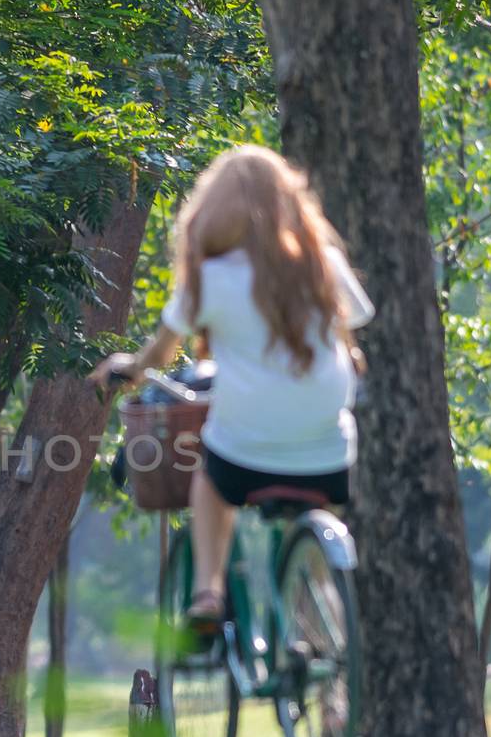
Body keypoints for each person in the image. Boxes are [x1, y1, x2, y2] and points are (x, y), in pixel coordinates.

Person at [89, 146, 373, 622]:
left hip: (245, 452)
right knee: (321, 482)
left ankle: (207, 593)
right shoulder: (320, 261)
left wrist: (130, 366)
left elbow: (158, 355)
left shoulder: (209, 278)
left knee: (211, 482)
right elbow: (358, 314)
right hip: (330, 456)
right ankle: (318, 605)